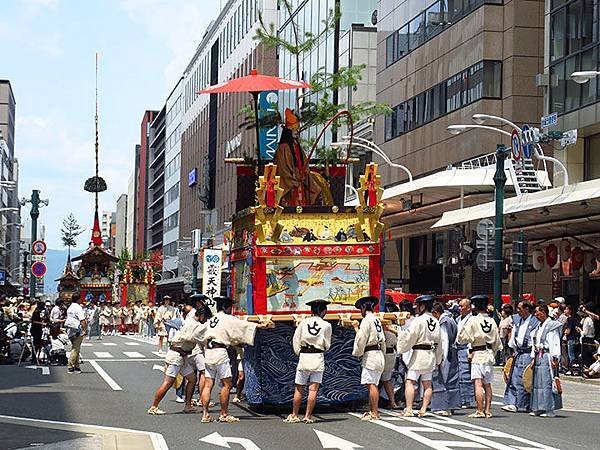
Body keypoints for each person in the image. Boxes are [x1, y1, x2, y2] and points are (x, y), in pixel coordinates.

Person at [200, 297, 271, 423]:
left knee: (208, 384)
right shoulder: (228, 318)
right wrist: (261, 326)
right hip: (219, 352)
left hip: (209, 352)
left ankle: (205, 414)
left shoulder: (212, 319)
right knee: (227, 385)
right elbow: (244, 326)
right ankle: (224, 414)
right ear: (225, 307)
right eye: (229, 307)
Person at [147, 305, 211, 415]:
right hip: (176, 356)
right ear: (201, 316)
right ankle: (153, 406)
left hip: (182, 356)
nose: (205, 320)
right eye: (205, 318)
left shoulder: (192, 322)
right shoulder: (194, 325)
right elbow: (198, 337)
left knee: (192, 379)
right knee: (168, 382)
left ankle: (188, 405)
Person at [284, 299, 332, 424]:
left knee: (299, 388)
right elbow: (327, 344)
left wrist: (299, 352)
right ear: (324, 311)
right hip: (318, 357)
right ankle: (308, 416)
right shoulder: (327, 325)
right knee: (313, 389)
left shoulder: (303, 322)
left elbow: (296, 339)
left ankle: (294, 414)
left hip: (304, 356)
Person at [397, 295, 443, 417]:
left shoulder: (418, 320)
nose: (416, 308)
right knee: (427, 383)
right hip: (430, 354)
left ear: (423, 306)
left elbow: (410, 336)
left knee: (410, 382)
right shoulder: (435, 321)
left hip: (418, 354)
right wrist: (438, 359)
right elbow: (439, 341)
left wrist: (400, 336)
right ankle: (423, 408)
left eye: (418, 305)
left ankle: (409, 408)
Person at [457, 295, 502, 419]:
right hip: (489, 354)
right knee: (487, 384)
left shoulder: (473, 320)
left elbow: (463, 338)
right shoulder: (492, 321)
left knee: (478, 384)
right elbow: (497, 342)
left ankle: (479, 410)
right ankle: (488, 410)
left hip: (478, 353)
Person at [352, 296, 386, 421]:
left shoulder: (366, 320)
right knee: (373, 384)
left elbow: (361, 339)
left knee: (371, 384)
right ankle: (372, 410)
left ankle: (375, 412)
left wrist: (357, 352)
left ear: (363, 308)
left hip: (371, 354)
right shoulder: (376, 319)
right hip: (378, 353)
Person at [502, 300, 539, 413]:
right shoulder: (517, 319)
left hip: (528, 353)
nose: (518, 310)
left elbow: (534, 339)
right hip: (518, 352)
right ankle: (512, 402)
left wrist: (533, 356)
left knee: (525, 379)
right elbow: (513, 335)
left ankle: (524, 404)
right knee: (513, 377)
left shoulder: (534, 321)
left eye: (520, 308)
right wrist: (513, 349)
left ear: (526, 309)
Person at [529, 304, 563, 417]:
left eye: (537, 313)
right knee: (537, 383)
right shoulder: (539, 326)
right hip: (539, 355)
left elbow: (555, 342)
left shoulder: (551, 326)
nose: (535, 315)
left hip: (547, 355)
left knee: (547, 382)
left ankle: (549, 409)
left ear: (543, 313)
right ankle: (539, 407)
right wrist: (533, 357)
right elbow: (534, 342)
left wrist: (555, 357)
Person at [430, 301, 460, 416]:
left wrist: (441, 358)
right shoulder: (451, 320)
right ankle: (452, 405)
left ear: (435, 313)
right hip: (453, 352)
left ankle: (441, 406)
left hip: (446, 353)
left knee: (442, 379)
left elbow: (444, 341)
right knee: (452, 379)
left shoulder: (443, 322)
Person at [455, 298, 475, 408]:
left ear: (468, 307)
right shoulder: (458, 319)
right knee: (459, 375)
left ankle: (467, 399)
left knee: (465, 375)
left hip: (466, 348)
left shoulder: (472, 319)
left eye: (462, 306)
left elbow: (473, 335)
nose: (459, 308)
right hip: (457, 348)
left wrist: (470, 351)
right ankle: (461, 398)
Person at [380, 300, 400, 409]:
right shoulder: (396, 327)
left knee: (375, 379)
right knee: (386, 380)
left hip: (383, 353)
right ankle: (392, 402)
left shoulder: (385, 327)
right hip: (392, 354)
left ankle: (370, 402)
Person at [64, 294, 87, 374]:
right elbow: (82, 320)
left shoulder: (70, 307)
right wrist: (85, 329)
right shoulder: (78, 307)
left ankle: (77, 367)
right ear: (78, 299)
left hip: (70, 329)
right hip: (77, 329)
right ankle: (70, 366)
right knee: (75, 348)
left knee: (76, 348)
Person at [577, 303, 597, 368]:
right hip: (591, 338)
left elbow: (585, 332)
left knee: (586, 356)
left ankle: (587, 369)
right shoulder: (589, 319)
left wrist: (580, 330)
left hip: (587, 339)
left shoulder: (587, 320)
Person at [562, 305, 580, 373]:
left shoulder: (570, 319)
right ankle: (574, 369)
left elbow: (568, 330)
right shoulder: (574, 318)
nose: (565, 311)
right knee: (572, 354)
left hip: (570, 338)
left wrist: (565, 332)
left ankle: (572, 369)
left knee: (571, 354)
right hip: (574, 338)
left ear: (570, 311)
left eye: (566, 309)